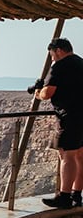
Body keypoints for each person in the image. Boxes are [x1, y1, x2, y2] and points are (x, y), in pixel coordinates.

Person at [33, 38, 83, 208]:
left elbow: (47, 93)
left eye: (52, 55)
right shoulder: (80, 63)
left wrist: (38, 92)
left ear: (59, 50)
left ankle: (65, 196)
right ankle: (77, 194)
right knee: (79, 156)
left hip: (69, 117)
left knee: (66, 155)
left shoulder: (60, 66)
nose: (52, 59)